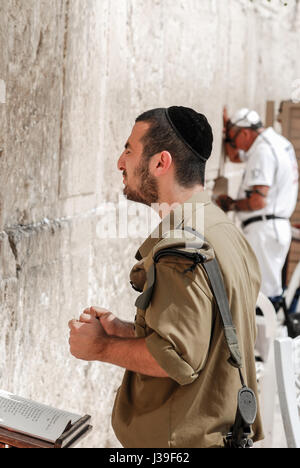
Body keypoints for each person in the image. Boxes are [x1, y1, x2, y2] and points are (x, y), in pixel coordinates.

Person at [68, 106, 263, 448]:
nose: (120, 162)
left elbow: (179, 358)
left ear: (160, 163)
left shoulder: (181, 249)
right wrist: (123, 329)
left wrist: (101, 346)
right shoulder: (221, 228)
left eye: (129, 149)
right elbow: (208, 333)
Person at [217, 108, 299, 304]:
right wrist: (229, 131)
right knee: (263, 291)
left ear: (245, 133)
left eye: (234, 138)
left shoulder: (263, 151)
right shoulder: (275, 142)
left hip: (264, 231)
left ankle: (261, 335)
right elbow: (235, 156)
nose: (234, 144)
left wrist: (232, 204)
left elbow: (257, 201)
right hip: (273, 229)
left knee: (260, 297)